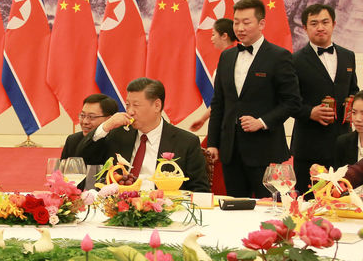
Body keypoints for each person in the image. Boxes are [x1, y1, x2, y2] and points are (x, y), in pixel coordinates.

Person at [206, 0, 301, 198]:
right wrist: (213, 143)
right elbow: (219, 103)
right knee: (234, 208)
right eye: (236, 22)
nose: (240, 28)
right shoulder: (227, 56)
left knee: (268, 209)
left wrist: (262, 122)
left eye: (246, 22)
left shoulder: (279, 56)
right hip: (231, 151)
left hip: (265, 151)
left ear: (261, 23)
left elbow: (292, 102)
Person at [78, 77, 209, 192]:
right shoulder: (117, 134)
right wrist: (105, 127)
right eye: (127, 105)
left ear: (157, 106)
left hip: (165, 212)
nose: (130, 111)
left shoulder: (186, 142)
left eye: (136, 105)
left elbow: (199, 190)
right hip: (119, 208)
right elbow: (83, 157)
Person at [291, 4, 359, 194]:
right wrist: (309, 112)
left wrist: (354, 105)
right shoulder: (294, 60)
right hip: (309, 145)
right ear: (305, 28)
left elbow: (353, 89)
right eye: (314, 23)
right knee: (309, 200)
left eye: (324, 22)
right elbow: (288, 101)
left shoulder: (348, 56)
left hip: (343, 142)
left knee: (343, 198)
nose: (320, 27)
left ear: (334, 24)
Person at [190, 18, 237, 132]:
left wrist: (203, 118)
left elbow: (225, 98)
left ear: (224, 36)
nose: (211, 39)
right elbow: (220, 98)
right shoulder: (226, 58)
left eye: (213, 34)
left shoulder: (234, 59)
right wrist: (203, 119)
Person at [60, 93, 118, 160]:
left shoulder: (117, 142)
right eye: (82, 115)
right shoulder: (72, 141)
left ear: (109, 119)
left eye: (91, 117)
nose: (85, 122)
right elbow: (62, 169)